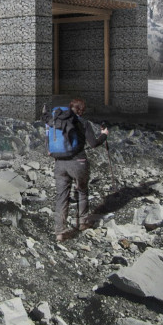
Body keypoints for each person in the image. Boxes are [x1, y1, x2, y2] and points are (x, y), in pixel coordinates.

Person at [43, 98, 108, 241]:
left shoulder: (57, 121)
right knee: (82, 191)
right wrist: (104, 134)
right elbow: (93, 143)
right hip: (78, 162)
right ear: (82, 110)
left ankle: (60, 232)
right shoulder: (84, 123)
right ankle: (82, 222)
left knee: (62, 196)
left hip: (60, 163)